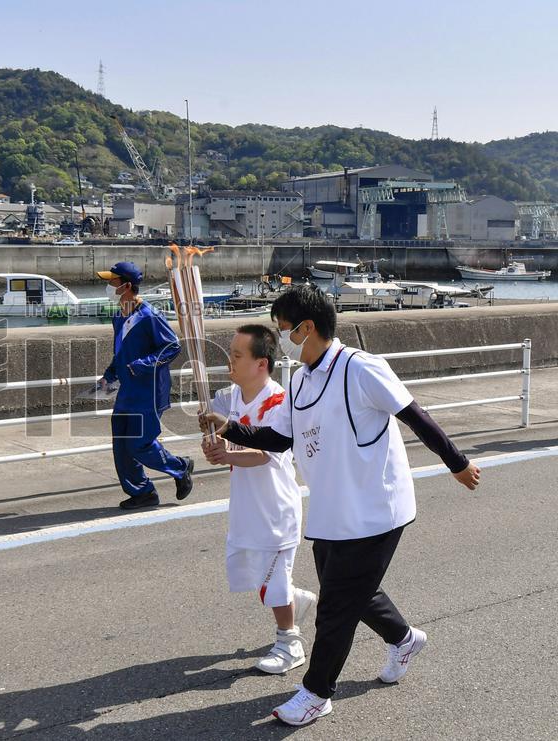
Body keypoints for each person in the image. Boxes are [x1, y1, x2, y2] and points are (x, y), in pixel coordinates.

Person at [202, 283, 480, 726]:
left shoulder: (360, 367)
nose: (285, 339)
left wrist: (458, 463)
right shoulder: (301, 382)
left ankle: (316, 692)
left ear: (308, 328)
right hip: (333, 510)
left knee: (334, 605)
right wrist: (231, 427)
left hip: (376, 508)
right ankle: (404, 639)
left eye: (287, 329)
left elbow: (415, 415)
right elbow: (279, 437)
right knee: (354, 590)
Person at [203, 325, 317, 674]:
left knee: (270, 581)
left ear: (261, 364)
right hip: (247, 505)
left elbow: (265, 454)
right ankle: (294, 599)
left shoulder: (278, 402)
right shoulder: (235, 396)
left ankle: (290, 642)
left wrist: (228, 456)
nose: (230, 364)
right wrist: (213, 441)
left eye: (237, 356)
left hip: (275, 508)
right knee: (260, 576)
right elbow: (212, 419)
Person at [96, 261, 193, 510]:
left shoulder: (149, 315)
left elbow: (172, 346)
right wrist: (109, 374)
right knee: (122, 443)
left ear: (126, 286)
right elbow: (121, 353)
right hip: (127, 389)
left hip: (148, 391)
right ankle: (142, 492)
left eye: (112, 281)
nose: (108, 286)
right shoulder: (119, 315)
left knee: (140, 443)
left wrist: (142, 365)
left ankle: (180, 468)